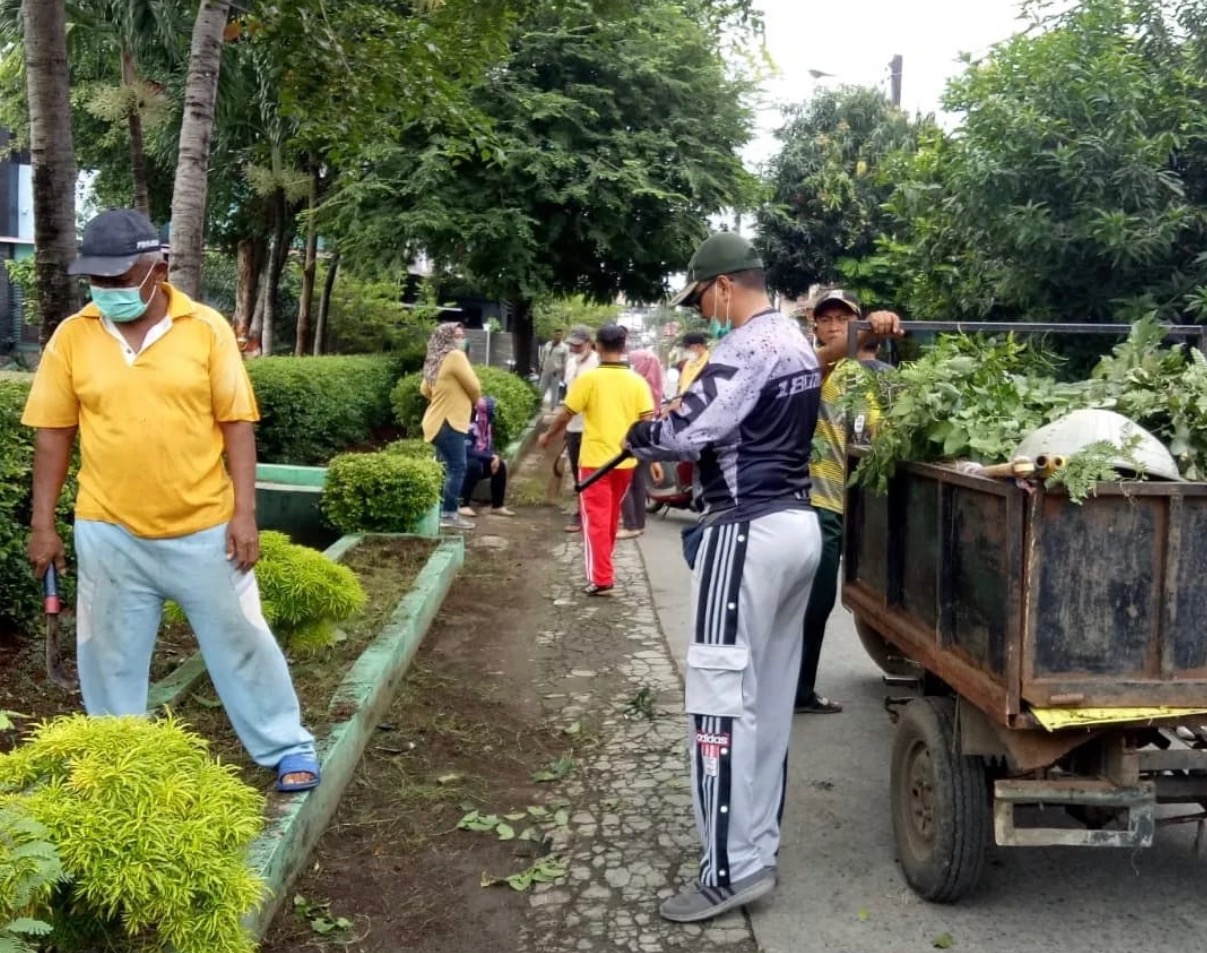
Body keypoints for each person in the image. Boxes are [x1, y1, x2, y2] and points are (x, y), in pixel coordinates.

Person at [21, 208, 320, 793]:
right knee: (107, 658)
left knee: (242, 641)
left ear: (157, 265)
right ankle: (119, 766)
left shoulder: (206, 329)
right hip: (108, 529)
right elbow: (53, 432)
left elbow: (236, 424)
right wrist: (43, 524)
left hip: (204, 528)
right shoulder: (73, 336)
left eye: (119, 277)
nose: (107, 290)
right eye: (97, 280)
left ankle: (287, 746)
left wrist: (244, 514)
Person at [624, 231, 823, 922]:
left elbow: (684, 432)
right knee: (766, 703)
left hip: (742, 531)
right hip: (797, 526)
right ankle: (757, 847)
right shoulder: (797, 340)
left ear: (722, 287)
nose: (706, 311)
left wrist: (637, 433)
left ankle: (725, 871)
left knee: (716, 701)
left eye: (704, 297)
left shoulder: (742, 346)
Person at [793, 287, 900, 714]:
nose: (835, 326)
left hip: (855, 504)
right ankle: (797, 690)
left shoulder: (874, 375)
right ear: (814, 327)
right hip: (820, 500)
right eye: (827, 320)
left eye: (845, 319)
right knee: (813, 601)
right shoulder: (808, 366)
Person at [537, 324, 653, 596]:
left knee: (596, 521)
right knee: (610, 518)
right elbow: (648, 422)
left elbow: (566, 414)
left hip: (595, 464)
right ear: (624, 347)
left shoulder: (589, 380)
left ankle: (601, 578)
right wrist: (651, 455)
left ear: (598, 346)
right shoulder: (638, 382)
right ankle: (604, 567)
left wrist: (548, 436)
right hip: (625, 462)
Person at [420, 322, 482, 531]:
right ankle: (449, 514)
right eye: (457, 335)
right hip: (449, 421)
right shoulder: (455, 356)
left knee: (444, 468)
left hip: (435, 421)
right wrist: (475, 400)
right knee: (458, 467)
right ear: (447, 338)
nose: (461, 338)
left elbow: (424, 390)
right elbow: (474, 386)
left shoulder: (435, 358)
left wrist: (445, 394)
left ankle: (439, 512)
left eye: (462, 334)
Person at [618, 348, 665, 539]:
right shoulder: (654, 386)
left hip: (632, 436)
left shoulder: (636, 385)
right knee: (638, 481)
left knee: (626, 481)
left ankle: (630, 525)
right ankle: (638, 524)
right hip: (646, 435)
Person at [560, 325, 599, 534]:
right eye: (571, 343)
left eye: (578, 344)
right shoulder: (571, 362)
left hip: (590, 427)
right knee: (576, 470)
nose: (573, 347)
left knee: (588, 471)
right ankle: (583, 508)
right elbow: (568, 393)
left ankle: (583, 512)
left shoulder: (597, 364)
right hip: (573, 425)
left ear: (588, 342)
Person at [459, 397, 515, 518]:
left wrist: (493, 459)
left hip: (480, 462)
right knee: (473, 466)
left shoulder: (486, 428)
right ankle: (462, 505)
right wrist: (490, 457)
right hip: (461, 463)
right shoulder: (470, 427)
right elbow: (467, 451)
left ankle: (497, 506)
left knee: (500, 465)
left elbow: (488, 448)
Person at [536, 328, 569, 408]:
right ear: (553, 335)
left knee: (554, 392)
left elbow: (565, 362)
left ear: (562, 336)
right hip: (545, 371)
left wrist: (563, 373)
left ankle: (553, 409)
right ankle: (537, 407)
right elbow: (543, 356)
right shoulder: (548, 344)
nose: (558, 336)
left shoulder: (564, 347)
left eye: (560, 335)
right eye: (556, 334)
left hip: (556, 373)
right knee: (541, 390)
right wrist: (540, 366)